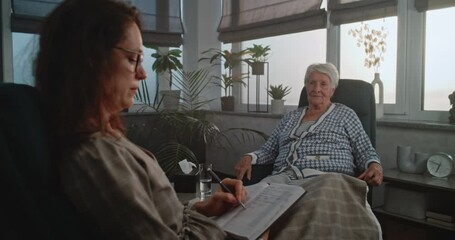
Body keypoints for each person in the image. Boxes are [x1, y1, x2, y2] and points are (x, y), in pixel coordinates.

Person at [35, 0, 246, 239]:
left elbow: (156, 218)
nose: (143, 73)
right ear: (89, 59)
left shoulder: (107, 139)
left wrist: (202, 208)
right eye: (132, 58)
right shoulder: (96, 158)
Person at [235, 63, 383, 186]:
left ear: (332, 90)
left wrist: (374, 166)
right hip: (283, 179)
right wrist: (250, 157)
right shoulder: (290, 117)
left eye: (323, 84)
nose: (316, 89)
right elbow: (269, 149)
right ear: (306, 86)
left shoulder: (345, 114)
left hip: (327, 180)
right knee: (251, 203)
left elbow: (364, 149)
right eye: (312, 83)